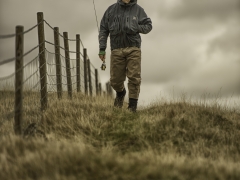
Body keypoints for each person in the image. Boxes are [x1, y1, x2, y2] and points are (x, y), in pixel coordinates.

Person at [98, 0, 152, 112]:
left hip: (134, 48)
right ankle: (121, 93)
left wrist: (136, 27)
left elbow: (148, 25)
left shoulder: (138, 10)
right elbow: (103, 29)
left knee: (134, 77)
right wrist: (102, 49)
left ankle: (132, 106)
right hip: (116, 50)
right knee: (115, 80)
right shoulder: (110, 10)